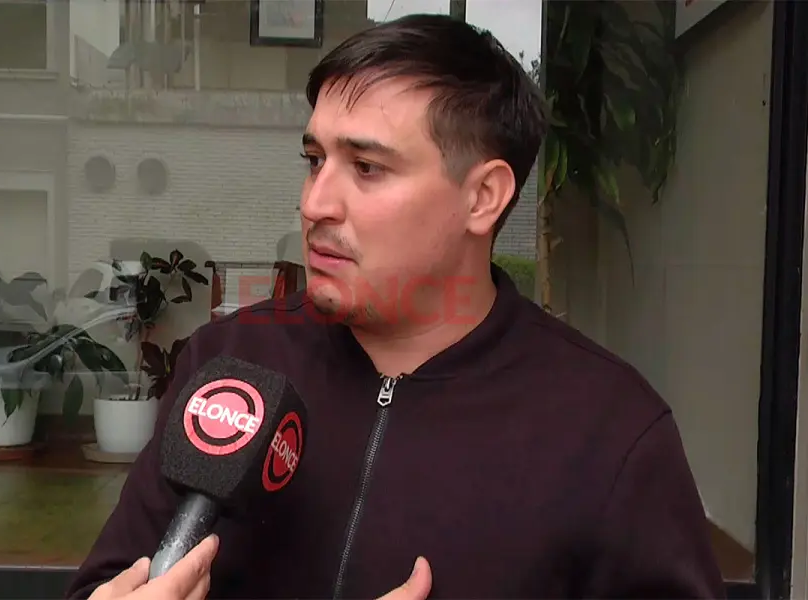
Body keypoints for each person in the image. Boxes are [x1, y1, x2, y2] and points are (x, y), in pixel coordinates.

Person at [67, 13, 725, 600]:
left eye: (367, 167)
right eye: (315, 159)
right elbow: (108, 583)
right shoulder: (229, 366)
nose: (315, 203)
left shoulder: (608, 431)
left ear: (483, 197)